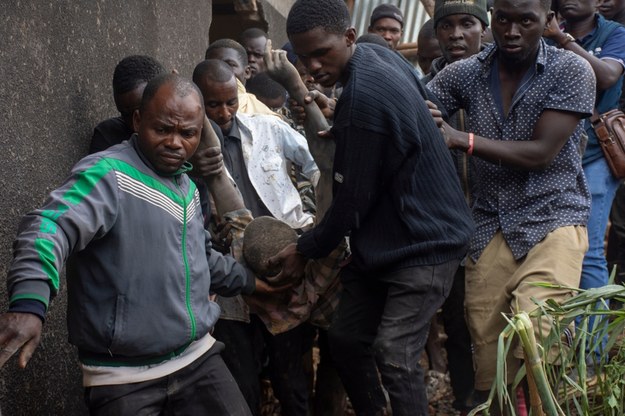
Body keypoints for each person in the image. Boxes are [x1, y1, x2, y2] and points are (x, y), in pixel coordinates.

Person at [0, 74, 260, 415]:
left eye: (187, 133)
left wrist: (254, 283)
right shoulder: (108, 174)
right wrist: (30, 301)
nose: (175, 143)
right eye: (163, 129)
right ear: (138, 121)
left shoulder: (188, 189)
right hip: (122, 376)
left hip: (198, 359)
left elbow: (202, 258)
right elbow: (50, 225)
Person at [274, 1, 475, 415]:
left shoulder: (364, 93)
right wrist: (347, 122)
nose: (312, 66)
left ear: (349, 37)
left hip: (425, 241)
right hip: (386, 239)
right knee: (346, 338)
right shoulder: (373, 57)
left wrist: (304, 249)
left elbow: (350, 204)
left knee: (395, 355)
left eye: (321, 53)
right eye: (303, 56)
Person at [427, 0, 596, 409]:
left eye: (526, 20)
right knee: (489, 352)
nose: (513, 31)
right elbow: (417, 105)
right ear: (492, 19)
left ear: (548, 20)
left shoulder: (571, 70)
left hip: (553, 217)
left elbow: (540, 152)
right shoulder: (466, 73)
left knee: (536, 330)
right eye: (503, 19)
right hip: (489, 224)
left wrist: (460, 138)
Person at [193, 59, 330, 416]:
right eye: (212, 104)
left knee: (291, 376)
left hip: (283, 268)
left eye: (230, 102)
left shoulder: (268, 128)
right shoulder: (187, 151)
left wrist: (312, 219)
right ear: (197, 103)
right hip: (229, 283)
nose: (223, 112)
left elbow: (317, 164)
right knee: (242, 378)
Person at [544, 0, 625, 361]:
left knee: (588, 249)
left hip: (593, 156)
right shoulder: (540, 28)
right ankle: (555, 341)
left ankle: (591, 354)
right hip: (547, 153)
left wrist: (560, 40)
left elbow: (607, 77)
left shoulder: (614, 34)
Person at [422, 0, 489, 411]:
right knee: (459, 325)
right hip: (449, 229)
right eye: (446, 26)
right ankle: (469, 402)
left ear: (485, 28)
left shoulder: (501, 79)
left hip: (498, 223)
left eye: (467, 24)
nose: (456, 35)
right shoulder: (423, 87)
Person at [89, 55, 167, 153]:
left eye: (142, 112)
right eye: (125, 115)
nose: (135, 126)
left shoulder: (185, 137)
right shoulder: (109, 136)